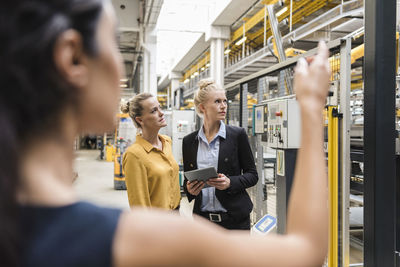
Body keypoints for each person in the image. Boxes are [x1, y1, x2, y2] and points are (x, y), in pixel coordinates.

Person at [0, 0, 330, 266]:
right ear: (72, 58)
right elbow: (306, 251)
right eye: (111, 41)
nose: (119, 67)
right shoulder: (126, 238)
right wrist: (312, 108)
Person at [182, 79, 258, 230]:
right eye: (217, 101)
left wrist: (230, 183)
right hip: (202, 222)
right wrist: (189, 189)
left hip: (234, 221)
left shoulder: (237, 135)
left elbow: (252, 175)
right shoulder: (189, 141)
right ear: (202, 107)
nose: (224, 106)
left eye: (225, 101)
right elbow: (188, 178)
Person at [121, 94, 181, 210]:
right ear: (140, 120)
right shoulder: (134, 155)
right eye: (154, 111)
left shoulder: (166, 142)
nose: (161, 113)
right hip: (157, 223)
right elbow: (139, 206)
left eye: (160, 107)